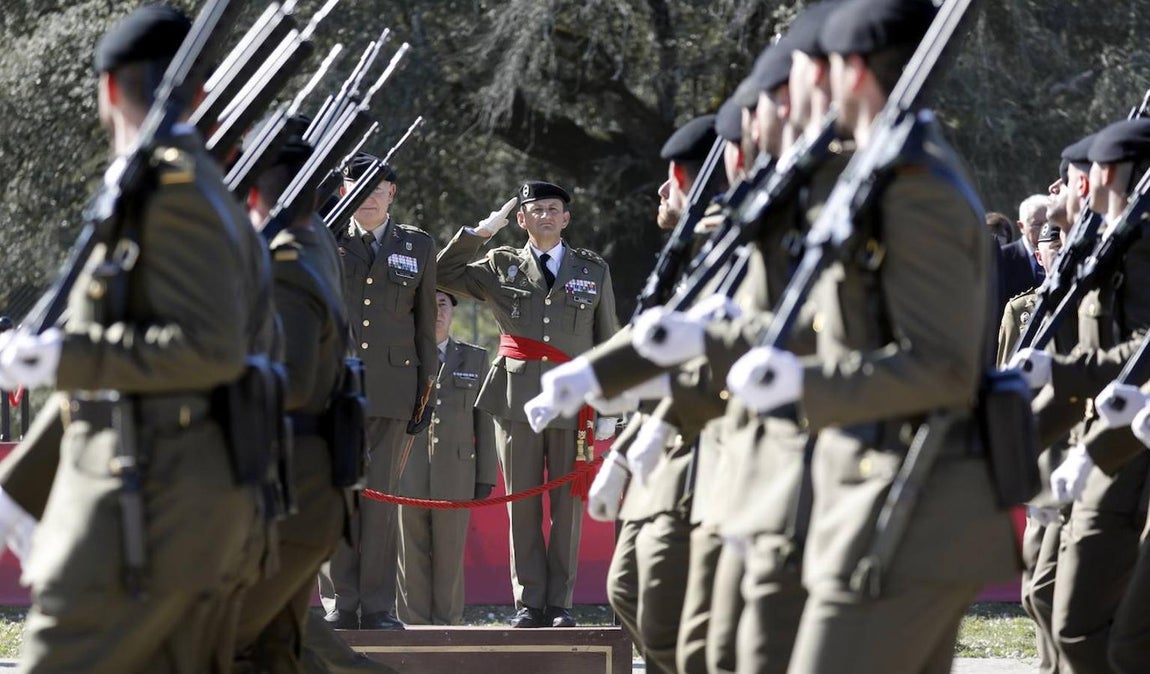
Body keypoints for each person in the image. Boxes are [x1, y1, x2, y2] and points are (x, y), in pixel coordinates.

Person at [718, 1, 1017, 671]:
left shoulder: (915, 185)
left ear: (849, 72)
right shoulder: (879, 174)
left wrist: (802, 383)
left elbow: (943, 368)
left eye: (803, 70)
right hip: (873, 498)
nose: (797, 87)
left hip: (912, 506)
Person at [0, 5, 272, 670]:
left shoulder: (172, 187)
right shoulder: (194, 184)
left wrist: (64, 356)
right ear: (201, 93)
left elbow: (209, 347)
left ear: (109, 89)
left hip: (148, 499)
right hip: (171, 492)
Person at [436, 181, 619, 628]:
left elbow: (608, 338)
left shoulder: (592, 269)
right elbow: (442, 273)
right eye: (535, 210)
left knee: (566, 506)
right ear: (521, 219)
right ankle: (529, 602)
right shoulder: (501, 265)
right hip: (516, 398)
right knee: (522, 503)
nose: (545, 216)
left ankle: (560, 605)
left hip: (574, 401)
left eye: (554, 209)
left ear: (566, 218)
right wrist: (485, 229)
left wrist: (611, 404)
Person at [1012, 117, 1150, 674]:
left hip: (1119, 455)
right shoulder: (1108, 249)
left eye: (1083, 175)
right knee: (1057, 607)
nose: (1074, 188)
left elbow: (1133, 355)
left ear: (1107, 174)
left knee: (1090, 627)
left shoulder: (1138, 254)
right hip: (1098, 449)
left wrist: (1060, 379)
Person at [602, 112, 718, 673]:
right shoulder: (685, 257)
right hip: (657, 449)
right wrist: (625, 450)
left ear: (681, 176)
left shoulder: (717, 252)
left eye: (669, 178)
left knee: (678, 615)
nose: (659, 192)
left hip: (702, 452)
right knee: (629, 592)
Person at [232, 139, 349, 672]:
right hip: (305, 482)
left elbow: (293, 383)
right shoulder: (314, 240)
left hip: (289, 487)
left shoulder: (284, 263)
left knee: (219, 642)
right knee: (275, 655)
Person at [320, 153, 438, 631]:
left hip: (394, 388)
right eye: (358, 185)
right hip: (334, 388)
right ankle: (340, 603)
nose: (368, 195)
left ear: (392, 194)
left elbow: (425, 325)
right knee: (337, 498)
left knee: (382, 501)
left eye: (378, 187)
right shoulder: (325, 238)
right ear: (342, 190)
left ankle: (378, 606)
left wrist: (425, 392)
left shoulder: (419, 245)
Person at [395, 290, 498, 625]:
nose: (436, 313)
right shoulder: (402, 356)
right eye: (429, 305)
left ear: (453, 311)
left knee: (450, 556)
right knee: (410, 553)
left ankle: (447, 632)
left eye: (442, 305)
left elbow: (484, 422)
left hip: (456, 472)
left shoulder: (475, 359)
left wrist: (485, 475)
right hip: (406, 471)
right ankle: (413, 631)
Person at [999, 194, 1050, 305]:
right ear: (1021, 226)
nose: (1045, 228)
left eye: (1048, 222)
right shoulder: (1002, 258)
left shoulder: (1062, 251)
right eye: (1038, 224)